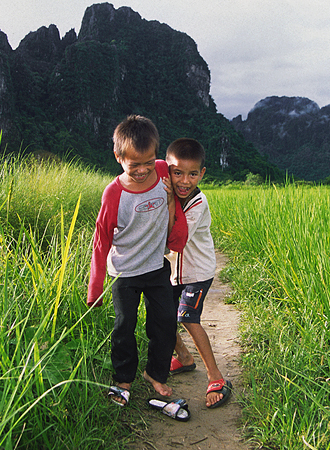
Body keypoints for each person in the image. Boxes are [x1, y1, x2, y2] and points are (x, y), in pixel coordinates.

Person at [87, 115, 187, 407]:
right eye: (134, 165)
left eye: (148, 162)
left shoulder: (163, 172)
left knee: (166, 323)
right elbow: (101, 240)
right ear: (118, 158)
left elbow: (186, 184)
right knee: (123, 326)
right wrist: (95, 287)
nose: (143, 170)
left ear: (156, 155)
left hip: (156, 267)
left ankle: (155, 372)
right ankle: (123, 379)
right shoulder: (114, 193)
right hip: (124, 273)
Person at [165, 138, 232, 408]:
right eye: (177, 172)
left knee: (187, 317)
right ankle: (183, 356)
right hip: (173, 273)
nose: (184, 181)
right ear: (166, 170)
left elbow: (176, 240)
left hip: (198, 273)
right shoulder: (162, 191)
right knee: (162, 317)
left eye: (192, 174)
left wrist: (169, 198)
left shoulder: (197, 202)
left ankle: (216, 377)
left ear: (201, 174)